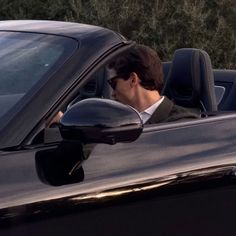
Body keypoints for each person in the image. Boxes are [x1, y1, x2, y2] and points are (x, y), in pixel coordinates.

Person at [107, 44, 199, 124]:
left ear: (133, 80)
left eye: (113, 84)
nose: (113, 93)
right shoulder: (121, 119)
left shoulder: (180, 125)